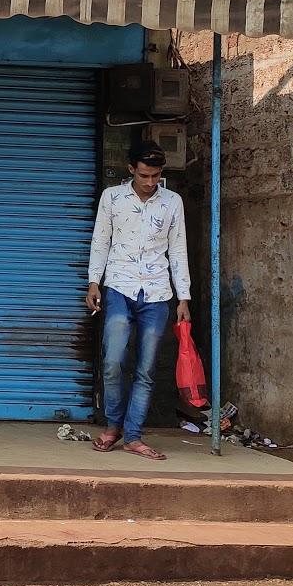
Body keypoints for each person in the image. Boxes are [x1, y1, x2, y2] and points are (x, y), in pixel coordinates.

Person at [86, 140, 191, 461]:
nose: (149, 182)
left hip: (159, 295)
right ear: (131, 170)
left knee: (146, 369)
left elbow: (178, 249)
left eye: (155, 176)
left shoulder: (172, 202)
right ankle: (113, 426)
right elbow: (101, 240)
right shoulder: (112, 198)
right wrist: (94, 282)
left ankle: (133, 436)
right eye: (144, 175)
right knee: (113, 361)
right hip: (118, 288)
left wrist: (184, 297)